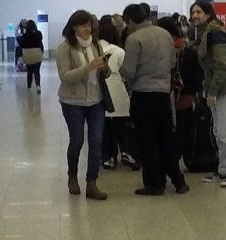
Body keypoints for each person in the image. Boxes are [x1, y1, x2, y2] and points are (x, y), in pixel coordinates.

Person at [121, 3, 189, 196]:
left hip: (143, 95)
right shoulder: (164, 34)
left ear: (130, 20)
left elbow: (129, 71)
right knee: (165, 138)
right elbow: (173, 63)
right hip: (163, 95)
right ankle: (178, 181)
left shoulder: (134, 39)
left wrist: (116, 71)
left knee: (147, 141)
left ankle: (154, 183)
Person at [55, 10, 111, 200]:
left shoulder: (95, 45)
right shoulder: (64, 48)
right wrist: (87, 67)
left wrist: (104, 68)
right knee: (77, 140)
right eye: (83, 25)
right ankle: (72, 175)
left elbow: (106, 72)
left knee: (96, 141)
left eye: (89, 25)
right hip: (72, 101)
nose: (87, 29)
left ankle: (92, 182)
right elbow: (65, 77)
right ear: (74, 27)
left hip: (96, 100)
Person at [190, 1, 226, 187]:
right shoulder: (206, 33)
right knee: (218, 131)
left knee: (225, 131)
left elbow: (222, 65)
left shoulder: (215, 34)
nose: (195, 15)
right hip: (219, 88)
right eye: (193, 12)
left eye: (199, 12)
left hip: (225, 89)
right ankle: (224, 170)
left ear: (208, 14)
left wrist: (212, 91)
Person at [97, 20, 137, 171]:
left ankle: (107, 157)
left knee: (105, 127)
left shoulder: (95, 50)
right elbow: (127, 73)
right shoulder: (119, 51)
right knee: (121, 124)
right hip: (118, 88)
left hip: (101, 89)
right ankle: (125, 152)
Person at [17, 18, 45, 93]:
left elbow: (21, 44)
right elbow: (40, 41)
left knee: (29, 72)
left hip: (28, 55)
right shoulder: (39, 33)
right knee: (37, 71)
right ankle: (38, 86)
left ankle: (29, 87)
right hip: (37, 54)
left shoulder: (24, 36)